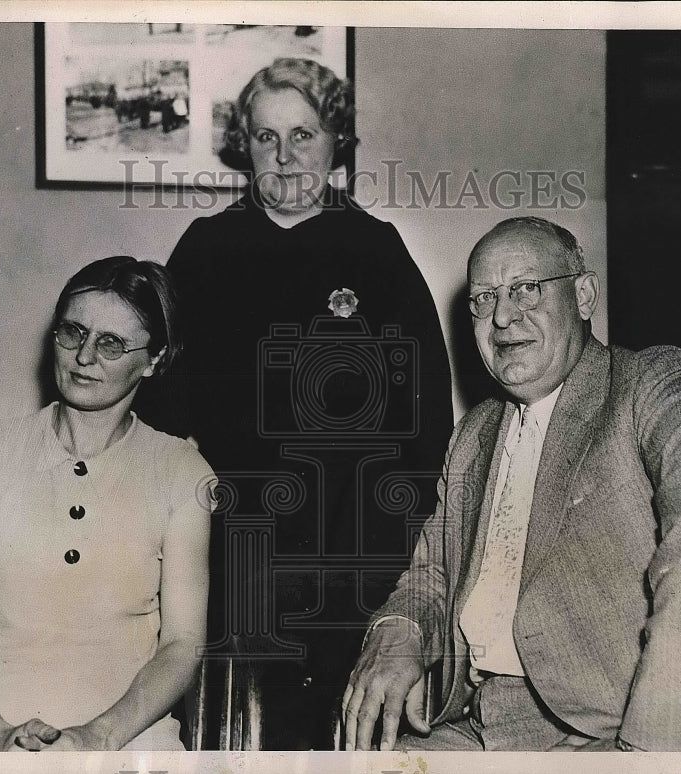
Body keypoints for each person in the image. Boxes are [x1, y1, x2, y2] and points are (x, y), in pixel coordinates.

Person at [342, 216, 681, 752]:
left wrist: (649, 747)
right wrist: (398, 630)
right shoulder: (475, 433)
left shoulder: (654, 386)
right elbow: (432, 571)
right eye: (483, 298)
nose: (503, 316)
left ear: (584, 294)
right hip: (481, 728)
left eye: (527, 288)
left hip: (623, 727)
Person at [133, 58, 453, 749]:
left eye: (303, 135)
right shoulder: (206, 249)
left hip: (353, 541)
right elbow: (161, 418)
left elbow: (425, 422)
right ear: (242, 144)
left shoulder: (375, 250)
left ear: (336, 141)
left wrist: (393, 543)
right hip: (233, 543)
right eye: (265, 137)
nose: (284, 156)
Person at [0, 257, 216, 751]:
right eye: (72, 333)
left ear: (155, 359)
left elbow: (181, 647)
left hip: (127, 741)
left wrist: (97, 738)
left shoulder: (184, 475)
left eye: (111, 344)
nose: (83, 357)